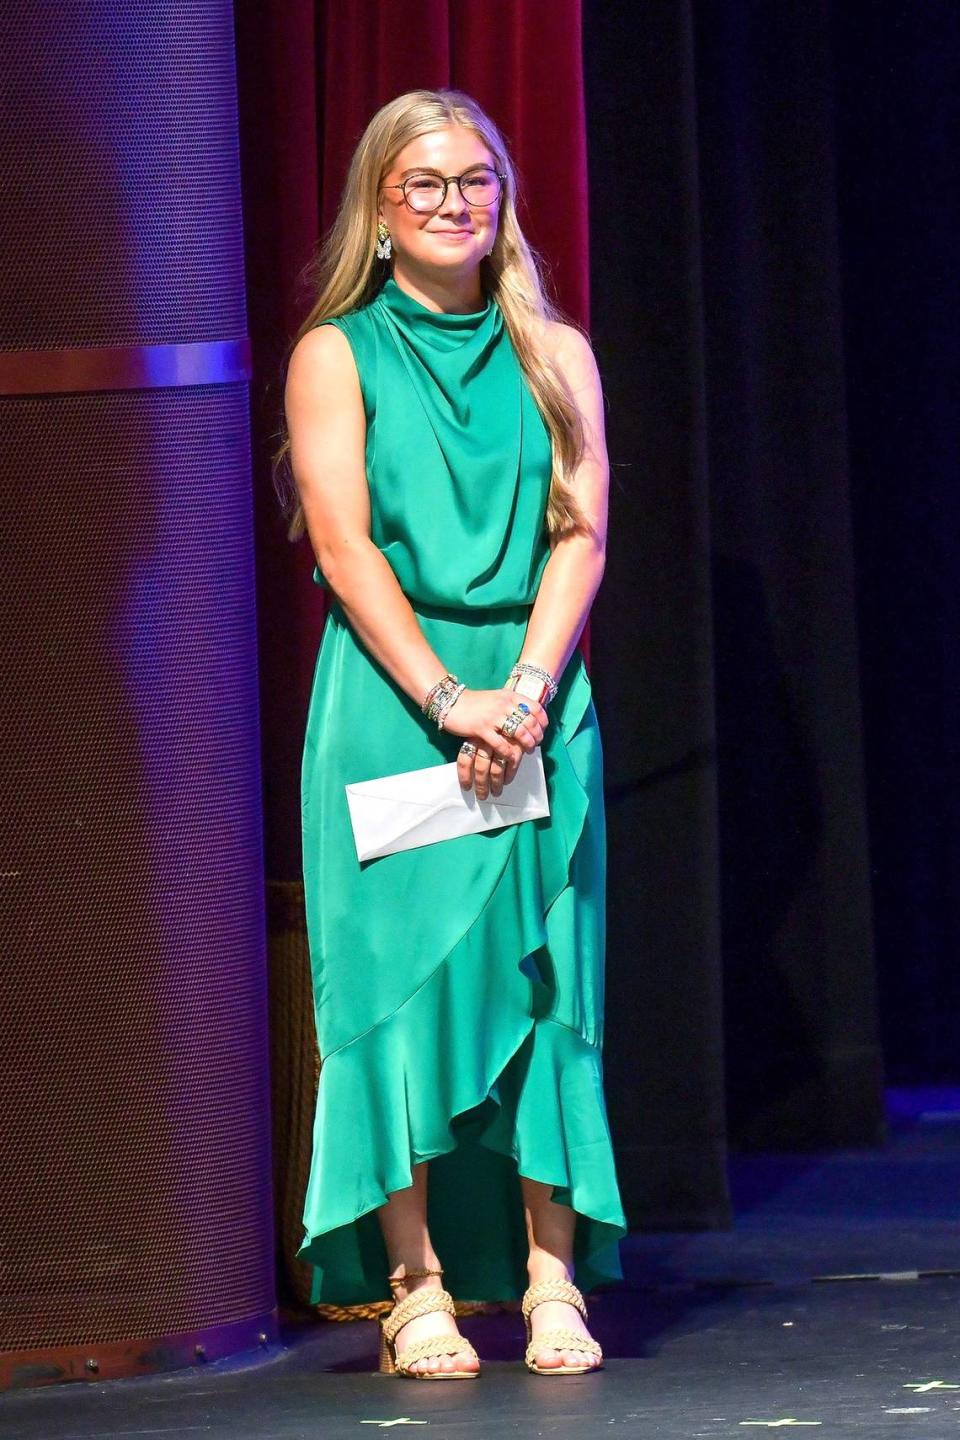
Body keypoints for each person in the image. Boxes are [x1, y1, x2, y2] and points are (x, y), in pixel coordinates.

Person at [277, 87, 627, 1380]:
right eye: (422, 184)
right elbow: (343, 543)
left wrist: (527, 690)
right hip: (394, 702)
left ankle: (551, 1277)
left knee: (548, 989)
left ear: (503, 199)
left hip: (535, 691)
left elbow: (580, 534)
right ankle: (412, 1283)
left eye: (473, 180)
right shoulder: (339, 353)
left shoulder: (557, 354)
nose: (452, 205)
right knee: (391, 999)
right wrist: (448, 701)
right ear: (379, 207)